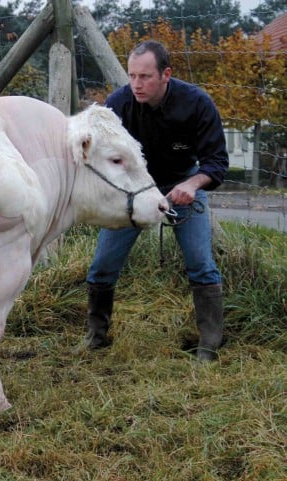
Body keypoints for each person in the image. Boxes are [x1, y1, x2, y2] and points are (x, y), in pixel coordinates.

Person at [76, 40, 229, 361]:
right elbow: (96, 150)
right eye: (132, 76)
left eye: (145, 76)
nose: (136, 84)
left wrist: (193, 183)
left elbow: (217, 162)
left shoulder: (198, 104)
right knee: (103, 263)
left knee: (200, 263)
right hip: (132, 190)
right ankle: (96, 335)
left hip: (182, 184)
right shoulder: (118, 105)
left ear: (166, 74)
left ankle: (209, 343)